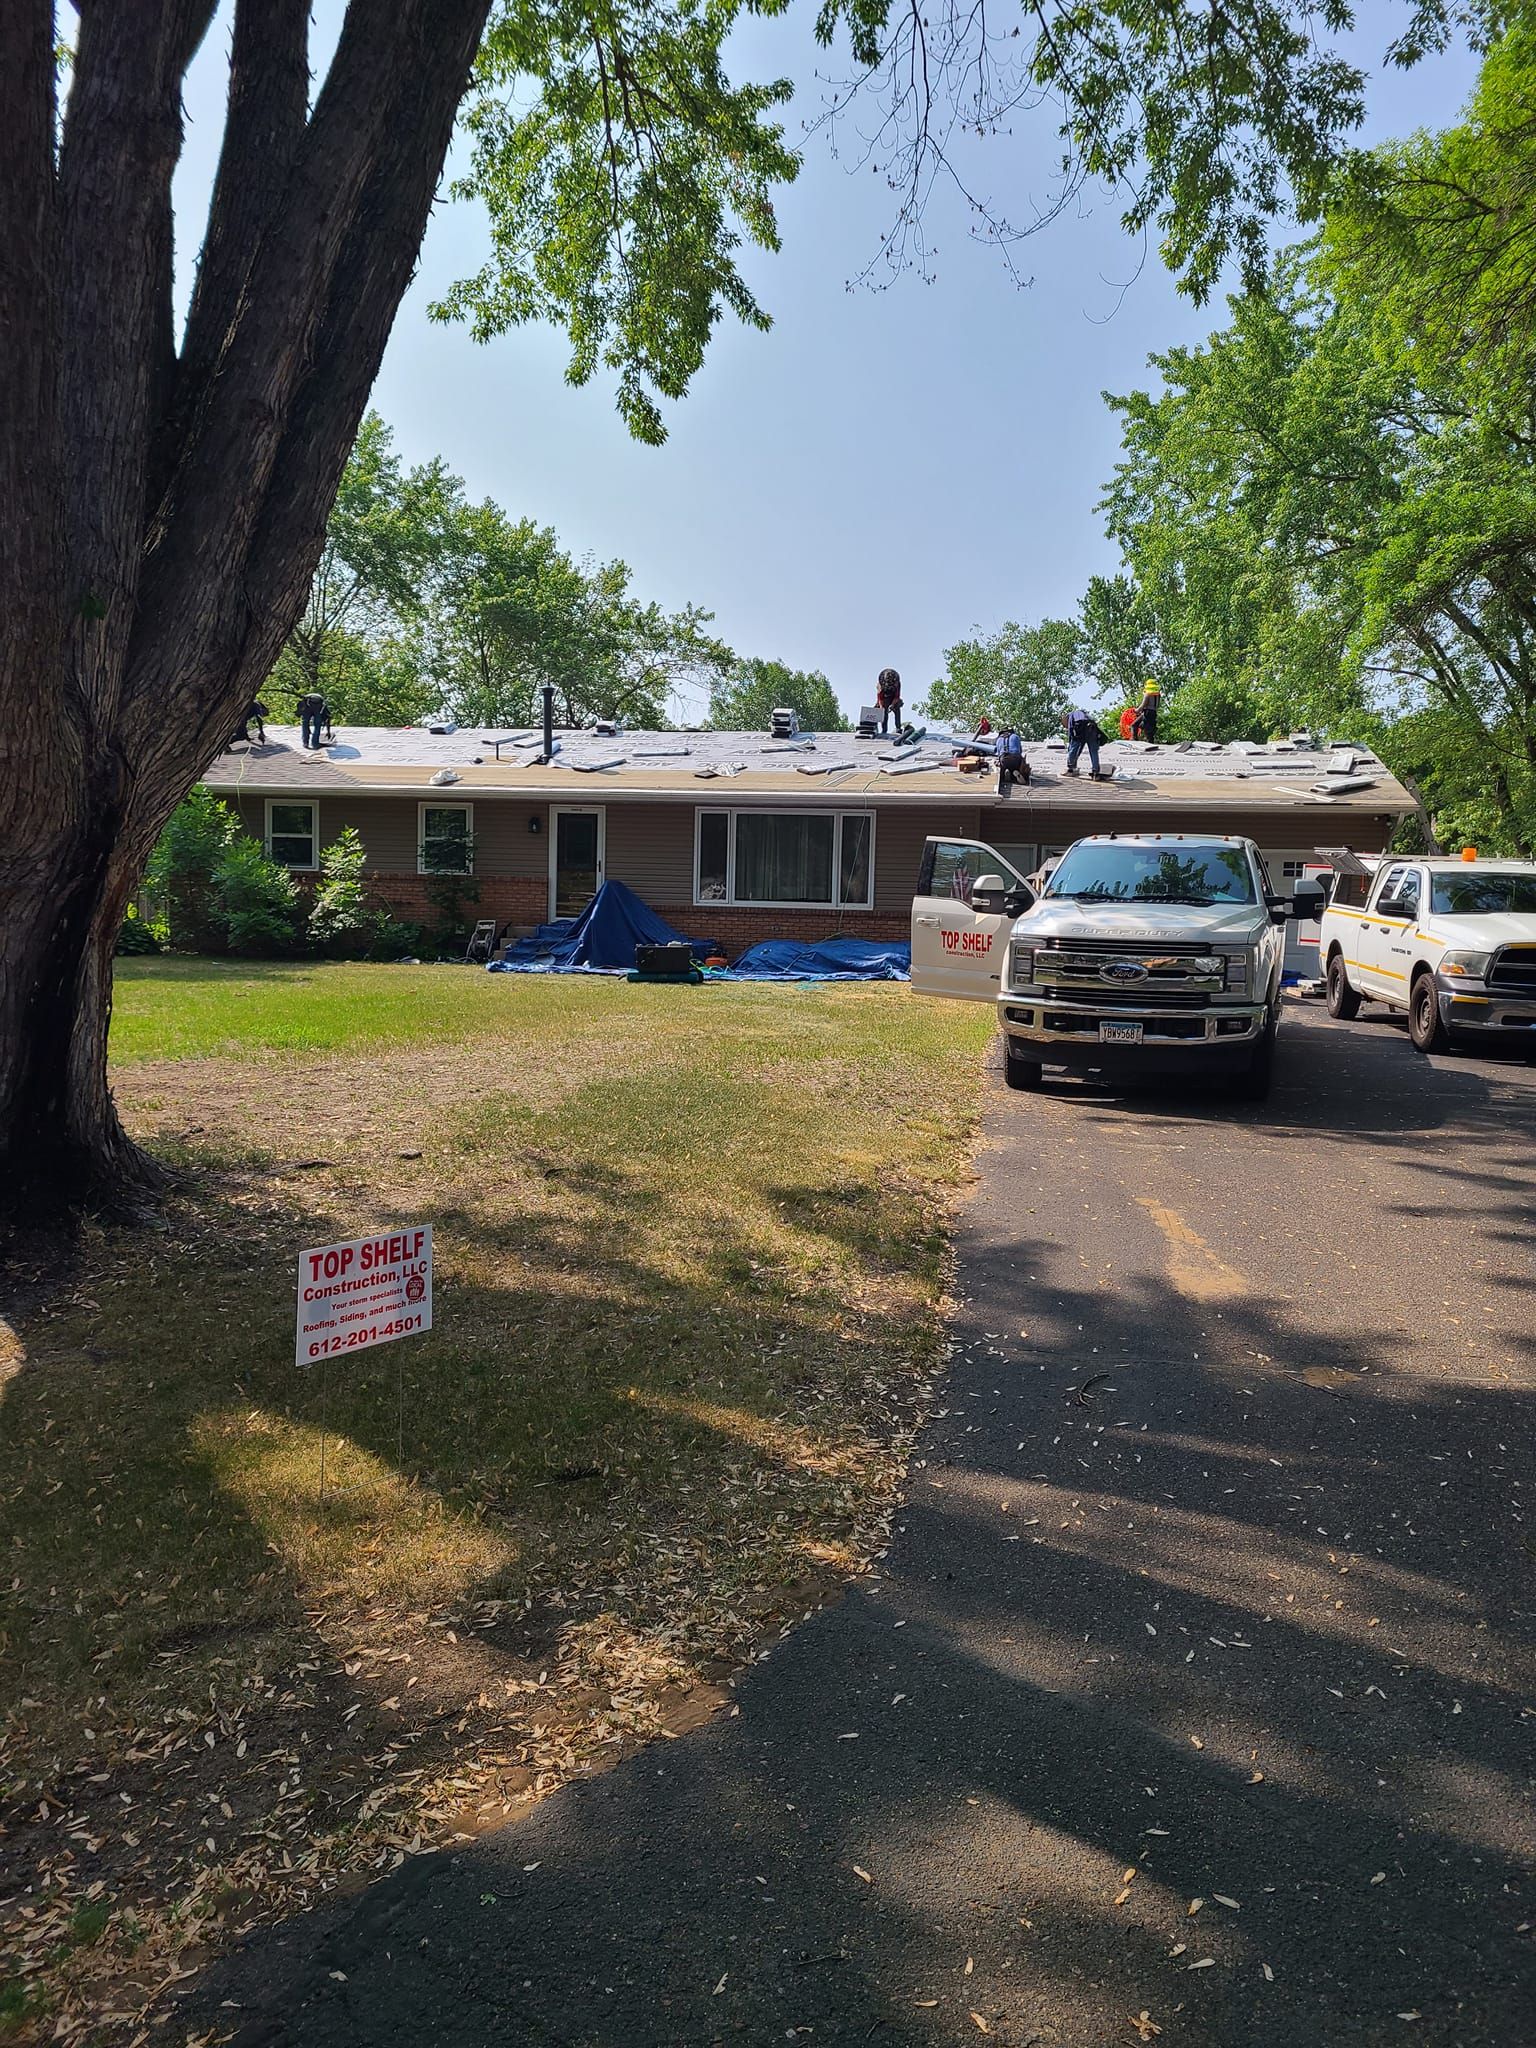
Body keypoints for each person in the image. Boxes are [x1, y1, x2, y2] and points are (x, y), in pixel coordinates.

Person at [1064, 706, 1109, 779]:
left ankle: (1070, 770)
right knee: (1093, 751)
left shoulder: (1071, 715)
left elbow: (1071, 732)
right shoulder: (1085, 715)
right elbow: (1080, 748)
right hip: (1092, 729)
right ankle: (1095, 773)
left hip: (1080, 729)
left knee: (1073, 748)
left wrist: (1071, 745)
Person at [994, 725, 1027, 795]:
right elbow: (1020, 751)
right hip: (1015, 758)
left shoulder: (998, 739)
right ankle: (1015, 773)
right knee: (1017, 768)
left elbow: (998, 754)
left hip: (1004, 758)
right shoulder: (1016, 737)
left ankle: (1004, 774)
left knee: (1001, 772)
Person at [876, 667, 903, 738]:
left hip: (894, 698)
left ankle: (898, 728)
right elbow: (880, 699)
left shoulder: (897, 683)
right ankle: (884, 729)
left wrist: (892, 705)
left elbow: (897, 696)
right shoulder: (880, 686)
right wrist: (882, 708)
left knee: (897, 707)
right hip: (884, 698)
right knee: (883, 712)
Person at [1136, 677, 1161, 743]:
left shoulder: (1147, 694)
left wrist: (1136, 710)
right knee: (1150, 731)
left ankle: (1134, 739)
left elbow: (1142, 705)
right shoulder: (1158, 695)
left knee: (1137, 725)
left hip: (1147, 713)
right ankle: (1149, 741)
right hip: (1154, 713)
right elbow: (1157, 705)